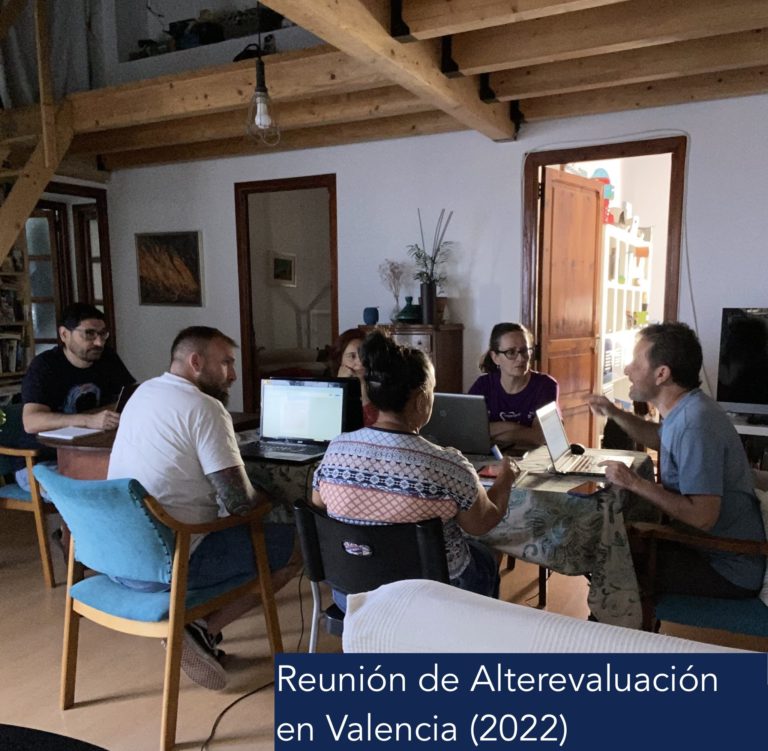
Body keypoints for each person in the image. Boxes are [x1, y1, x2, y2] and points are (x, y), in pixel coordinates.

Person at [108, 326, 298, 691]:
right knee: (296, 547)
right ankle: (201, 627)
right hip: (172, 562)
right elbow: (239, 502)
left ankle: (199, 632)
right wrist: (278, 498)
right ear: (196, 362)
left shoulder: (143, 392)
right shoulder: (205, 408)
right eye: (226, 362)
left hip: (120, 558)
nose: (233, 374)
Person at [313, 330, 518, 606]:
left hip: (351, 594)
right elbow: (482, 524)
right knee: (485, 559)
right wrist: (504, 481)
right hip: (431, 598)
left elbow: (318, 502)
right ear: (422, 399)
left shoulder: (336, 449)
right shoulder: (446, 466)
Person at [587, 322, 766, 604]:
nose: (627, 369)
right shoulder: (687, 408)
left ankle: (614, 642)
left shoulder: (695, 425)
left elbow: (703, 518)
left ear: (661, 374)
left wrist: (634, 482)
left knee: (608, 558)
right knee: (616, 541)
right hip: (708, 549)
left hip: (726, 567)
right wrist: (614, 413)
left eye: (635, 361)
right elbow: (661, 439)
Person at [17, 302, 134, 490]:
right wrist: (88, 421)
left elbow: (129, 397)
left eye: (103, 334)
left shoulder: (108, 359)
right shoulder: (44, 366)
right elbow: (31, 421)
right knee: (94, 494)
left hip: (92, 455)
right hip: (42, 463)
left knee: (138, 482)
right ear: (64, 334)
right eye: (89, 334)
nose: (99, 342)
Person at [468, 322, 558, 448]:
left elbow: (540, 437)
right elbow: (470, 431)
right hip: (493, 458)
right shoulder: (483, 385)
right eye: (511, 352)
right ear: (495, 357)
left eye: (524, 351)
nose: (521, 358)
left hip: (532, 460)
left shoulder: (545, 385)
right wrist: (517, 428)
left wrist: (497, 433)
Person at [329, 327, 378, 426]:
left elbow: (375, 427)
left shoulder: (377, 386)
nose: (360, 363)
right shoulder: (327, 388)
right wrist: (339, 385)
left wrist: (363, 391)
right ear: (340, 360)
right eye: (352, 356)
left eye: (363, 355)